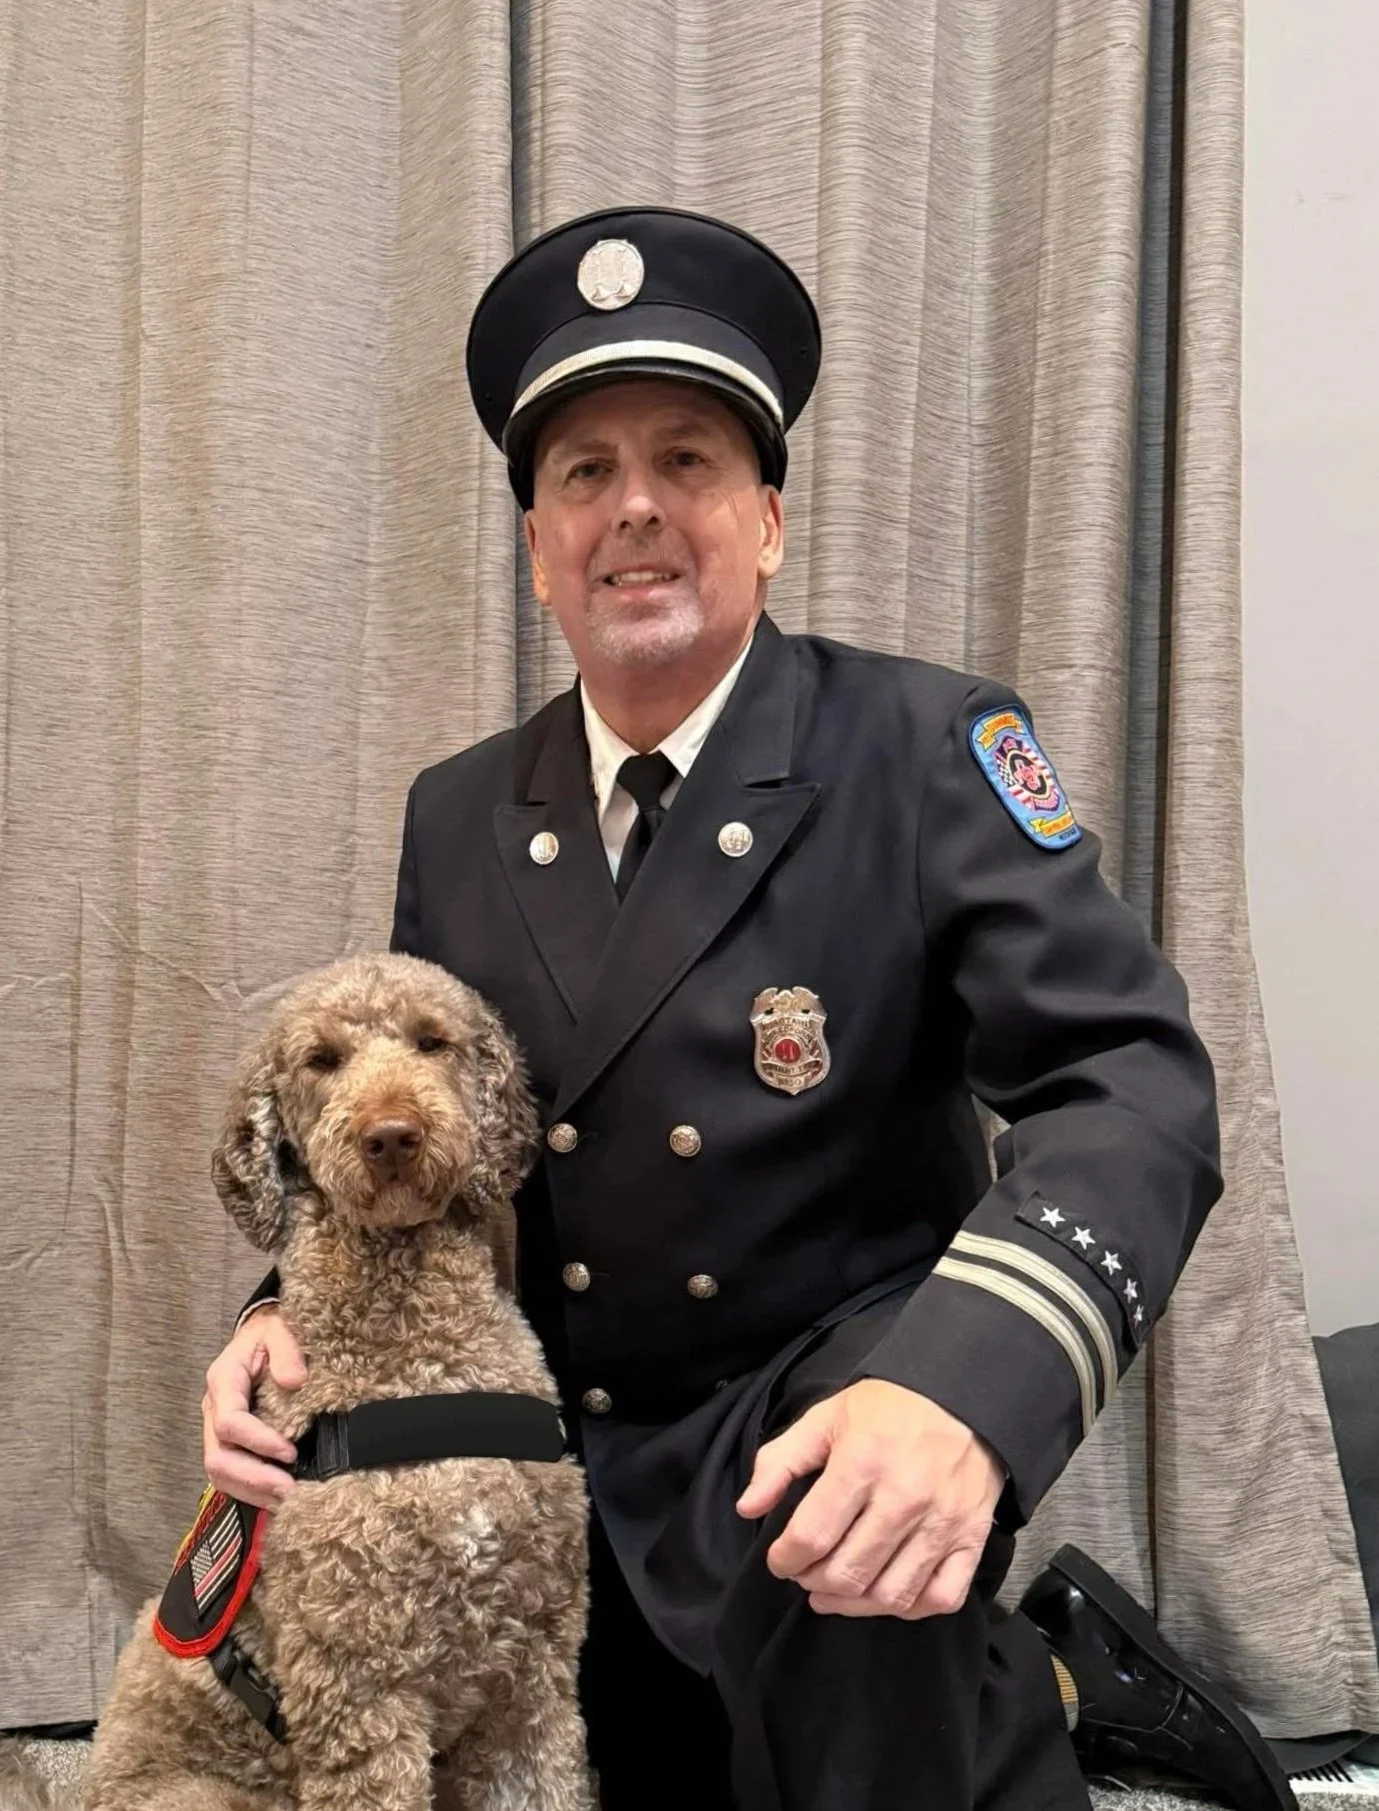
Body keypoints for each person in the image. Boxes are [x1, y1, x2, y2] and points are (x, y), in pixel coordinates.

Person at [199, 208, 1296, 1811]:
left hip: (823, 1429)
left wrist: (963, 1388)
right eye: (583, 472)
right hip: (561, 1452)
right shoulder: (456, 813)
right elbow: (410, 1135)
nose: (633, 506)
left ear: (767, 519)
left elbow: (1127, 1081)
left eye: (689, 460)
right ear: (536, 546)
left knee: (848, 1607)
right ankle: (1043, 1672)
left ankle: (1013, 1682)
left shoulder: (926, 746)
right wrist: (270, 1320)